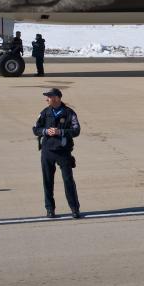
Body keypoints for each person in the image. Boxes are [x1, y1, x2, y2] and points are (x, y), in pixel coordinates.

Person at [32, 88, 81, 219]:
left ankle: (75, 209)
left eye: (49, 96)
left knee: (68, 181)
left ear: (57, 98)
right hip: (47, 152)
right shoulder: (44, 112)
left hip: (63, 152)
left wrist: (61, 132)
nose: (46, 99)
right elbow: (35, 129)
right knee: (47, 181)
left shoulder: (69, 113)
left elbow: (76, 130)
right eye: (47, 97)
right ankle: (50, 209)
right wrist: (46, 131)